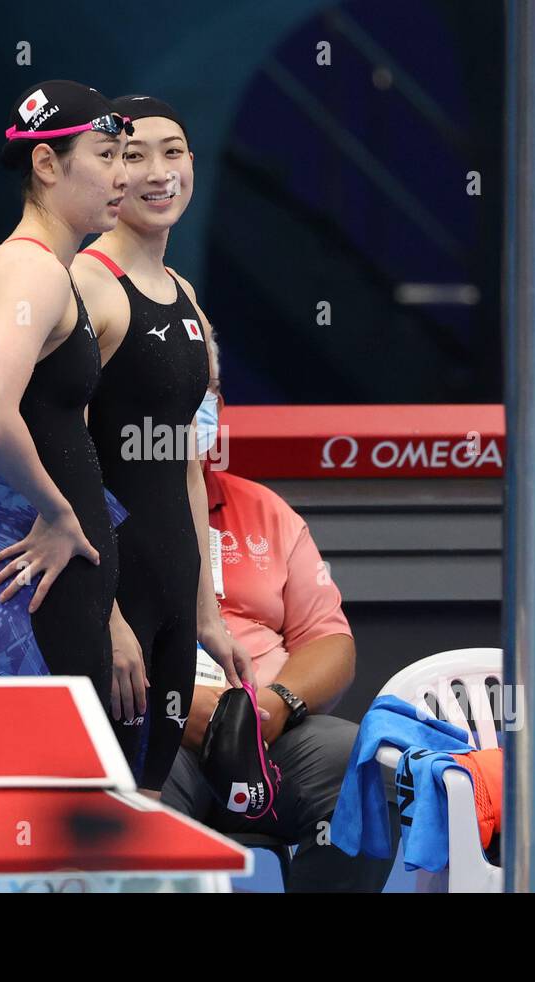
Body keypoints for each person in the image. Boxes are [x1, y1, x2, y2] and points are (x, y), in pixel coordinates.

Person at [0, 81, 150, 779]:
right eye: (106, 155)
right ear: (45, 165)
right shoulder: (32, 272)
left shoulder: (44, 271)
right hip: (41, 598)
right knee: (54, 821)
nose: (124, 175)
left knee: (73, 824)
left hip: (55, 590)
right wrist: (60, 512)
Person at [158, 335, 397, 891]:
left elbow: (329, 641)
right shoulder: (98, 515)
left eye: (208, 390)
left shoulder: (265, 511)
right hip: (158, 731)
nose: (198, 404)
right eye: (179, 390)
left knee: (354, 767)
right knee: (138, 789)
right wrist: (169, 703)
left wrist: (273, 706)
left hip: (268, 735)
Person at [70, 95, 256, 793]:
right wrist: (106, 616)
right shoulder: (87, 287)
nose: (157, 171)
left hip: (176, 600)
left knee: (148, 808)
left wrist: (206, 612)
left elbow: (186, 464)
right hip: (113, 600)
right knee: (97, 818)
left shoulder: (184, 295)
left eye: (172, 151)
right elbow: (66, 464)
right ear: (108, 171)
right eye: (131, 154)